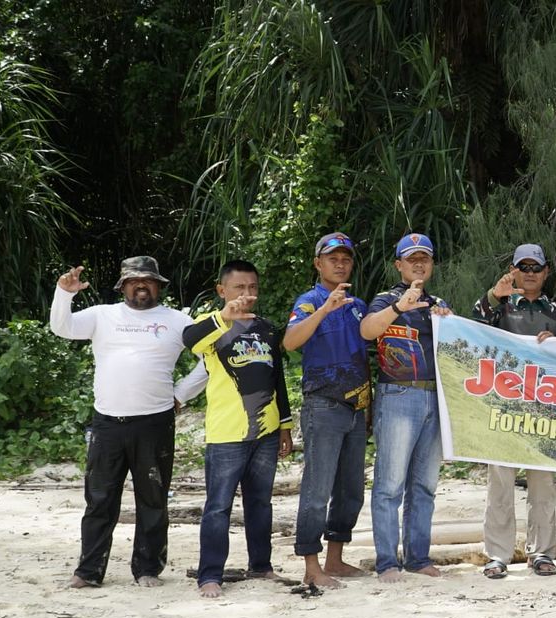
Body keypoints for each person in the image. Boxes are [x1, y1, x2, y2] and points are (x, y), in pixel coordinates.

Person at [51, 256, 207, 588]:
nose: (141, 285)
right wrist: (63, 294)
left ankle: (148, 569)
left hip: (155, 424)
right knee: (99, 500)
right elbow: (61, 328)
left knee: (153, 499)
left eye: (148, 280)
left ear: (159, 286)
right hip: (107, 424)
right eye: (134, 280)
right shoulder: (102, 315)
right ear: (122, 286)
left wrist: (181, 394)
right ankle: (88, 571)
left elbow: (209, 358)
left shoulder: (178, 321)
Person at [184, 260, 293, 598]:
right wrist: (224, 317)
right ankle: (210, 575)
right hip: (226, 434)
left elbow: (277, 380)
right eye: (238, 288)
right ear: (222, 291)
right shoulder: (210, 325)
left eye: (252, 288)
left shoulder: (268, 329)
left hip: (266, 432)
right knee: (218, 506)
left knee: (260, 504)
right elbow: (189, 339)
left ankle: (260, 566)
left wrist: (285, 427)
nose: (246, 294)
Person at [472, 243, 556, 579]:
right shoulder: (498, 303)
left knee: (544, 485)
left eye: (535, 268)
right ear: (513, 270)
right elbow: (472, 328)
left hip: (545, 408)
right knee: (500, 483)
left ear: (545, 272)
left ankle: (542, 552)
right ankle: (497, 555)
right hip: (503, 406)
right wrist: (492, 295)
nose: (529, 274)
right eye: (522, 267)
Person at [360, 233, 453, 582]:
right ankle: (386, 562)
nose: (418, 263)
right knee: (390, 483)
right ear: (398, 264)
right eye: (411, 258)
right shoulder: (386, 298)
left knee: (425, 484)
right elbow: (367, 331)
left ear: (431, 264)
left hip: (436, 398)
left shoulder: (439, 302)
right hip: (398, 395)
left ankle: (418, 557)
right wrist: (400, 306)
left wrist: (449, 319)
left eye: (424, 258)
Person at [285, 232, 372, 588]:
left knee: (351, 488)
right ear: (318, 263)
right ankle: (311, 565)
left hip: (357, 406)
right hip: (323, 404)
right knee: (317, 488)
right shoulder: (309, 301)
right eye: (332, 258)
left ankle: (335, 559)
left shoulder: (360, 306)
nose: (339, 263)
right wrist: (325, 309)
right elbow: (290, 342)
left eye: (346, 258)